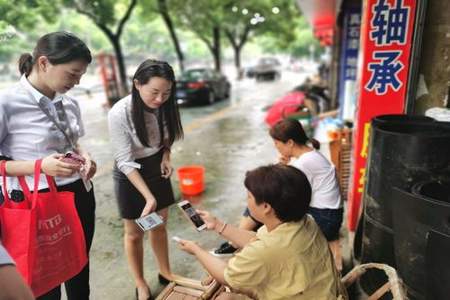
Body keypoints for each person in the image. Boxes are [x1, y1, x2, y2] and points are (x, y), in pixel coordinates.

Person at [0, 32, 96, 299]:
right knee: (46, 281)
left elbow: (74, 143)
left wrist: (85, 158)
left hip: (80, 194)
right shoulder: (7, 103)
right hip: (37, 202)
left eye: (80, 76)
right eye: (72, 74)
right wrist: (40, 166)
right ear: (44, 63)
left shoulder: (69, 102)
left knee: (80, 270)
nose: (76, 82)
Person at [177, 164, 347, 300]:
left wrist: (196, 250)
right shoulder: (304, 221)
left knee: (225, 297)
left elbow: (226, 276)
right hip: (325, 293)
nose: (247, 201)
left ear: (266, 207)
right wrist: (218, 225)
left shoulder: (265, 250)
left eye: (249, 197)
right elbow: (257, 239)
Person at [214, 119, 343, 270]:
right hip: (328, 215)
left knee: (261, 201)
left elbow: (277, 187)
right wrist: (283, 166)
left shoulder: (304, 163)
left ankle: (237, 242)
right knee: (260, 202)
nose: (276, 148)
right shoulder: (309, 155)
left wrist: (282, 167)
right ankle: (237, 241)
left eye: (277, 144)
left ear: (289, 143)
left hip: (324, 220)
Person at [108, 59, 183, 300]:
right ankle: (140, 283)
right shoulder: (120, 112)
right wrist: (148, 196)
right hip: (130, 173)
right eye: (154, 92)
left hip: (155, 167)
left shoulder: (165, 105)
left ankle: (165, 271)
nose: (160, 99)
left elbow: (169, 134)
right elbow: (124, 159)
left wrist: (166, 155)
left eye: (166, 93)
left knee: (158, 224)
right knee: (134, 232)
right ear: (137, 84)